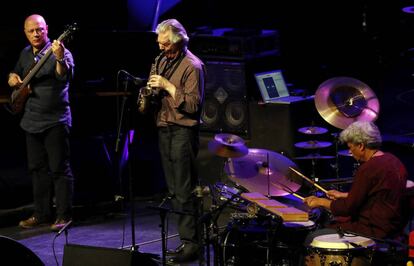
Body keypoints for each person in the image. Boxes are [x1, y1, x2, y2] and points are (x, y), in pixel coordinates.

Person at [141, 19, 205, 263]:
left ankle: (192, 244)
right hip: (164, 128)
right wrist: (147, 93)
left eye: (165, 44)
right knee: (174, 190)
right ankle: (186, 240)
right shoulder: (161, 61)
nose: (161, 48)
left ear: (178, 41)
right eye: (159, 43)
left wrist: (167, 86)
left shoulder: (192, 66)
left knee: (184, 190)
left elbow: (193, 105)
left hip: (182, 131)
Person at [8, 14, 74, 232]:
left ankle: (63, 215)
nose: (36, 34)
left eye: (40, 29)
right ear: (25, 33)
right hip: (30, 119)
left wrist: (59, 58)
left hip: (55, 119)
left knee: (59, 169)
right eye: (31, 31)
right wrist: (12, 78)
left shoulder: (60, 51)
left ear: (47, 29)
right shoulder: (25, 53)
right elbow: (15, 73)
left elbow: (63, 76)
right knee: (37, 169)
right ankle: (41, 213)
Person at [303, 121, 408, 242]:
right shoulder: (394, 161)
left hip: (374, 230)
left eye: (350, 147)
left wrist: (320, 202)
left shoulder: (368, 168)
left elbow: (347, 208)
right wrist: (344, 195)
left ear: (361, 146)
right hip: (393, 227)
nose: (349, 152)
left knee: (313, 237)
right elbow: (380, 195)